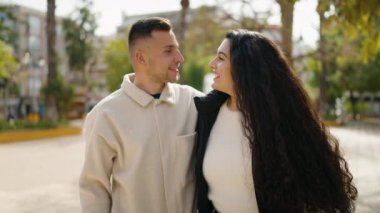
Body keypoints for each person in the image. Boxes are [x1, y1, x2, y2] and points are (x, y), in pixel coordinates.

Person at [194, 29, 358, 212]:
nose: (212, 64)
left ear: (245, 67)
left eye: (221, 58)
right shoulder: (207, 112)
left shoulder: (284, 120)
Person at [80, 17, 203, 213]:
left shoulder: (194, 102)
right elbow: (94, 189)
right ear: (141, 57)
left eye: (177, 49)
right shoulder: (105, 114)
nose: (179, 57)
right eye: (168, 51)